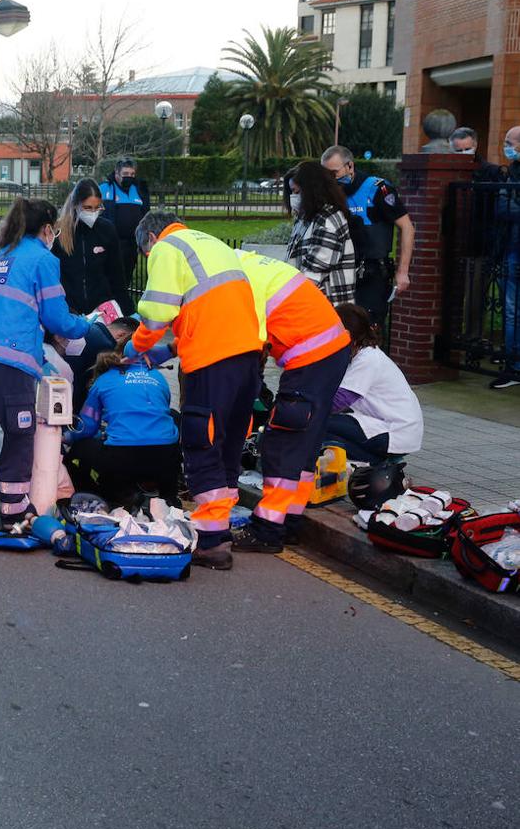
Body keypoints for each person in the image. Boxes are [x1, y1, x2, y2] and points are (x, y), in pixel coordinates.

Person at [126, 211, 263, 570]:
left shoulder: (167, 247)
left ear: (150, 239)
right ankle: (220, 523)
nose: (149, 260)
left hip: (211, 361)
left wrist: (138, 345)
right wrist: (171, 349)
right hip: (248, 356)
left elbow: (157, 311)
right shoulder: (211, 244)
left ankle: (213, 541)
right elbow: (208, 309)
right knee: (229, 442)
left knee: (201, 441)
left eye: (145, 254)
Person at [0, 198, 90, 528]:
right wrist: (87, 324)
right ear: (47, 229)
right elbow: (57, 317)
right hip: (10, 352)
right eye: (55, 230)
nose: (55, 235)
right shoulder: (42, 259)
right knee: (19, 430)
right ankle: (14, 510)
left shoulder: (2, 255)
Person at [232, 251, 352, 553]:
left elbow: (245, 345)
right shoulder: (245, 264)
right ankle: (289, 523)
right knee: (304, 443)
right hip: (327, 350)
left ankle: (267, 529)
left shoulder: (232, 281)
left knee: (283, 441)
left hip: (311, 354)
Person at [64, 341, 180, 508]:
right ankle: (169, 497)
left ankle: (103, 495)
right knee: (172, 422)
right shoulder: (158, 377)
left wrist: (66, 437)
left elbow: (86, 427)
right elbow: (161, 412)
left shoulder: (104, 380)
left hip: (121, 459)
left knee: (79, 449)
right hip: (165, 459)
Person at [322, 145, 415, 329]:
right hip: (340, 272)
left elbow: (407, 227)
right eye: (326, 175)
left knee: (367, 329)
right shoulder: (330, 193)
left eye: (334, 172)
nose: (331, 179)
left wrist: (403, 271)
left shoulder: (377, 189)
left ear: (350, 166)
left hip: (371, 273)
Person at [326, 303, 423, 464]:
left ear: (348, 335)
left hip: (394, 430)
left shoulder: (368, 359)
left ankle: (379, 462)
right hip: (383, 424)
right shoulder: (360, 355)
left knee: (318, 424)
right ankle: (379, 460)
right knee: (321, 426)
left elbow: (338, 402)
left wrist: (306, 409)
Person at [53, 179, 135, 316]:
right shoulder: (59, 233)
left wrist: (129, 312)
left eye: (97, 208)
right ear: (75, 205)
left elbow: (117, 277)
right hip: (69, 311)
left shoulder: (107, 229)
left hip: (102, 310)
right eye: (87, 208)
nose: (93, 212)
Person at [284, 161, 357, 305]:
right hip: (313, 303)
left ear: (312, 190)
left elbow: (313, 274)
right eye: (291, 192)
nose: (293, 197)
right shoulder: (306, 217)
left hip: (327, 307)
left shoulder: (328, 221)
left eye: (297, 192)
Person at [494, 126, 520, 389]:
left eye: (509, 142)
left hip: (514, 247)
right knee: (511, 310)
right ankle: (513, 363)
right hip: (510, 246)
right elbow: (502, 208)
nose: (506, 147)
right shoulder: (510, 173)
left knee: (512, 309)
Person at [99, 158, 151, 285]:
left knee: (126, 275)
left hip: (131, 244)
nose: (130, 177)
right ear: (117, 173)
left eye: (132, 174)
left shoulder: (138, 190)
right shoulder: (105, 189)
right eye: (126, 174)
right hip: (111, 243)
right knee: (110, 276)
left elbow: (145, 213)